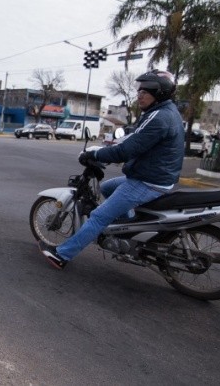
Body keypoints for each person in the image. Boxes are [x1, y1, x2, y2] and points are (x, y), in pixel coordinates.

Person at [39, 70, 184, 269]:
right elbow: (135, 138)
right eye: (139, 89)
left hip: (148, 181)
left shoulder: (160, 117)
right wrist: (107, 147)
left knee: (99, 217)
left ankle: (62, 255)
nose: (140, 94)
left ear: (159, 93)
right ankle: (125, 229)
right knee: (107, 187)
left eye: (146, 90)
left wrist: (95, 155)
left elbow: (126, 151)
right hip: (156, 176)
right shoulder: (162, 112)